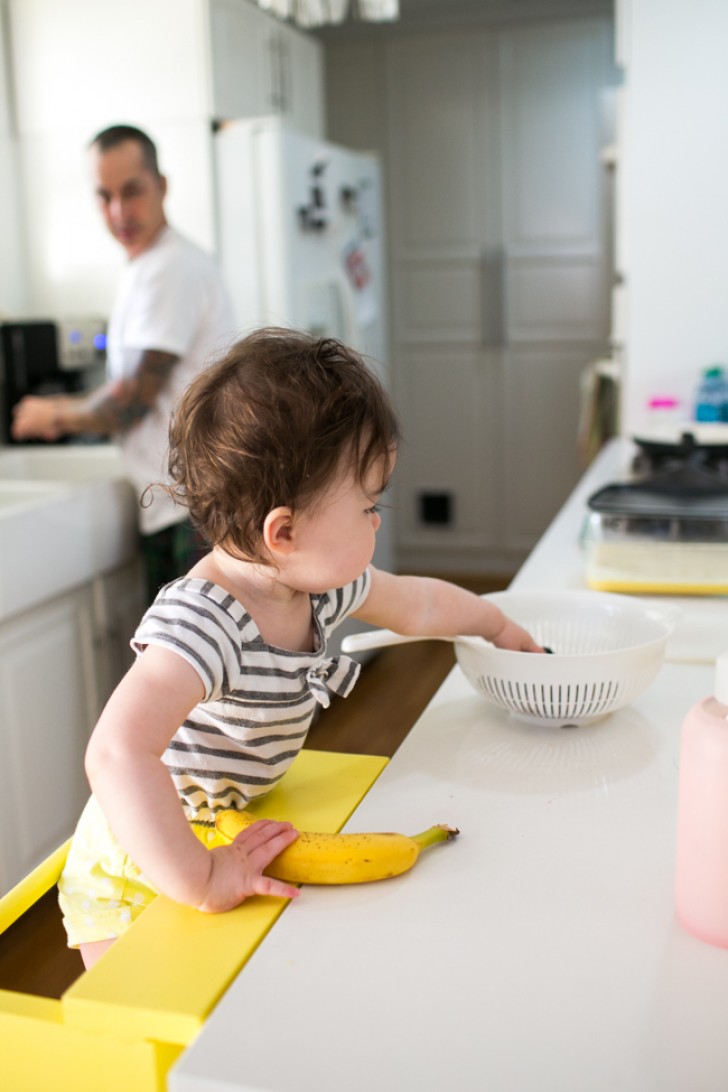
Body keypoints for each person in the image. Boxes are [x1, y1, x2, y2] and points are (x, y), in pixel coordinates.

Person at [58, 327, 544, 970]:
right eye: (368, 505)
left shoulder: (314, 587)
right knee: (149, 1035)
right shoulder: (207, 621)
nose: (377, 520)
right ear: (283, 531)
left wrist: (498, 627)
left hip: (227, 825)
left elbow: (419, 604)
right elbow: (117, 752)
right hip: (141, 859)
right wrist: (199, 877)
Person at [11, 124, 236, 603]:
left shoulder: (169, 268)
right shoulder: (148, 266)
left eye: (131, 191)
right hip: (184, 499)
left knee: (191, 666)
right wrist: (72, 408)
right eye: (104, 196)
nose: (119, 211)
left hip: (191, 507)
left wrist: (53, 414)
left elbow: (131, 400)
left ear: (163, 186)